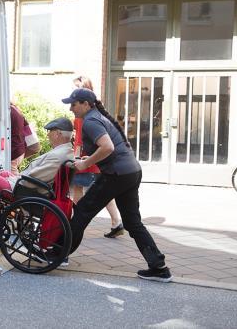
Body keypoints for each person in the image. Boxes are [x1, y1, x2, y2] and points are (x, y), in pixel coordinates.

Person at [62, 88, 172, 282]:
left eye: (74, 104)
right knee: (132, 222)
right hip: (131, 172)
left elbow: (108, 147)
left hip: (116, 174)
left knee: (82, 212)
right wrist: (93, 159)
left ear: (86, 104)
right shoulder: (97, 117)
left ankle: (58, 253)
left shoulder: (90, 121)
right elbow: (110, 148)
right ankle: (159, 267)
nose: (71, 108)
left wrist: (85, 164)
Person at [0, 117, 74, 226]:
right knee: (3, 174)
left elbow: (33, 181)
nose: (48, 135)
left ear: (58, 134)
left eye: (50, 132)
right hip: (33, 189)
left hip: (28, 192)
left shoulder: (57, 156)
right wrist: (13, 177)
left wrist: (14, 180)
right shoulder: (65, 152)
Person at [71, 76, 124, 238]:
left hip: (86, 158)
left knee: (77, 187)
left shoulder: (82, 113)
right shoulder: (97, 109)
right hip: (98, 159)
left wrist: (76, 158)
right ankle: (116, 221)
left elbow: (80, 139)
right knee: (103, 190)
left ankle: (77, 222)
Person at [9, 103, 27, 173]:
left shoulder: (8, 110)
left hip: (14, 151)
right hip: (20, 150)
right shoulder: (18, 111)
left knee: (12, 180)